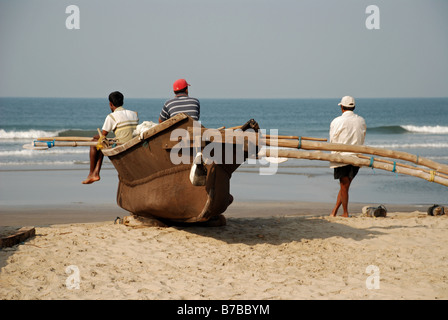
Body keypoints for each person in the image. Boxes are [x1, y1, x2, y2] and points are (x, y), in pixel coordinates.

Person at [82, 91, 139, 184]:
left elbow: (103, 136)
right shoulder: (133, 114)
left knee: (95, 141)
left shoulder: (111, 117)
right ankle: (95, 173)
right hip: (134, 143)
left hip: (122, 145)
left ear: (110, 104)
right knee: (102, 142)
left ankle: (92, 173)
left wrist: (96, 137)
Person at [329, 95, 366, 217]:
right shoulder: (361, 120)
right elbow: (363, 137)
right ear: (353, 107)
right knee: (345, 186)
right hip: (356, 157)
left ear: (342, 108)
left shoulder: (337, 121)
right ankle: (334, 211)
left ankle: (345, 213)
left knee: (344, 186)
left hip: (342, 158)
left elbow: (333, 140)